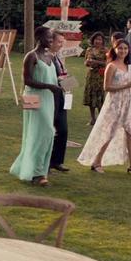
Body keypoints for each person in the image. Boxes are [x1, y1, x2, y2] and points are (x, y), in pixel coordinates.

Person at [77, 39, 131, 175]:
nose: (123, 51)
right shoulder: (111, 66)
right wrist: (126, 85)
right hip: (114, 103)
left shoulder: (130, 66)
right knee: (109, 133)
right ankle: (96, 161)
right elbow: (107, 87)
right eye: (120, 48)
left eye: (125, 48)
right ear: (115, 49)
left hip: (127, 102)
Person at [9, 26, 59, 186]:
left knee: (47, 134)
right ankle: (37, 173)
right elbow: (28, 80)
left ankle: (39, 170)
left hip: (48, 98)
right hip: (32, 96)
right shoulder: (31, 56)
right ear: (39, 38)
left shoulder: (50, 56)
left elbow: (55, 78)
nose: (51, 41)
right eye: (48, 38)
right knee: (40, 132)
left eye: (52, 38)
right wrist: (49, 87)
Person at [49, 32, 70, 174]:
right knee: (49, 131)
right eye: (59, 42)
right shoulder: (45, 57)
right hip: (50, 98)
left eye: (63, 42)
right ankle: (47, 163)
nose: (61, 44)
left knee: (63, 130)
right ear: (51, 41)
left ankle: (57, 161)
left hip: (61, 96)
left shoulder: (57, 57)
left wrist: (67, 80)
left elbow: (60, 76)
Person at [82, 32, 107, 125]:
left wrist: (96, 61)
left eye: (100, 39)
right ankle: (92, 119)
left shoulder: (105, 51)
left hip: (100, 76)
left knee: (100, 98)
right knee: (91, 97)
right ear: (93, 40)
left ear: (103, 41)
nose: (98, 41)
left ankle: (101, 120)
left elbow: (107, 63)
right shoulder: (89, 50)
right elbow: (85, 62)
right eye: (96, 39)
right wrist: (88, 62)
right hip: (91, 75)